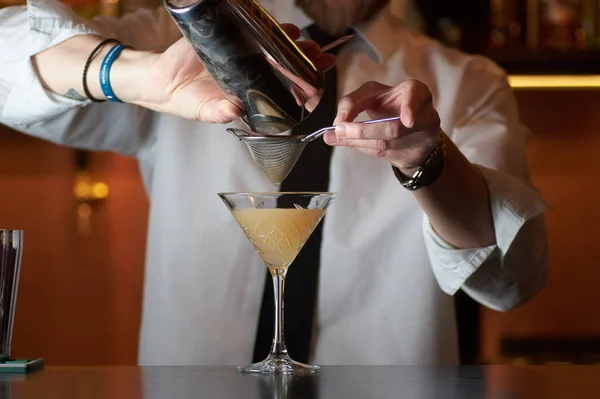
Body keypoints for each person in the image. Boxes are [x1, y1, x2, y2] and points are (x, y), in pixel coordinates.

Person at [0, 0, 549, 366]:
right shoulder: (178, 39)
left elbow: (510, 280)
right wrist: (143, 75)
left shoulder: (468, 80)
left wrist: (426, 162)